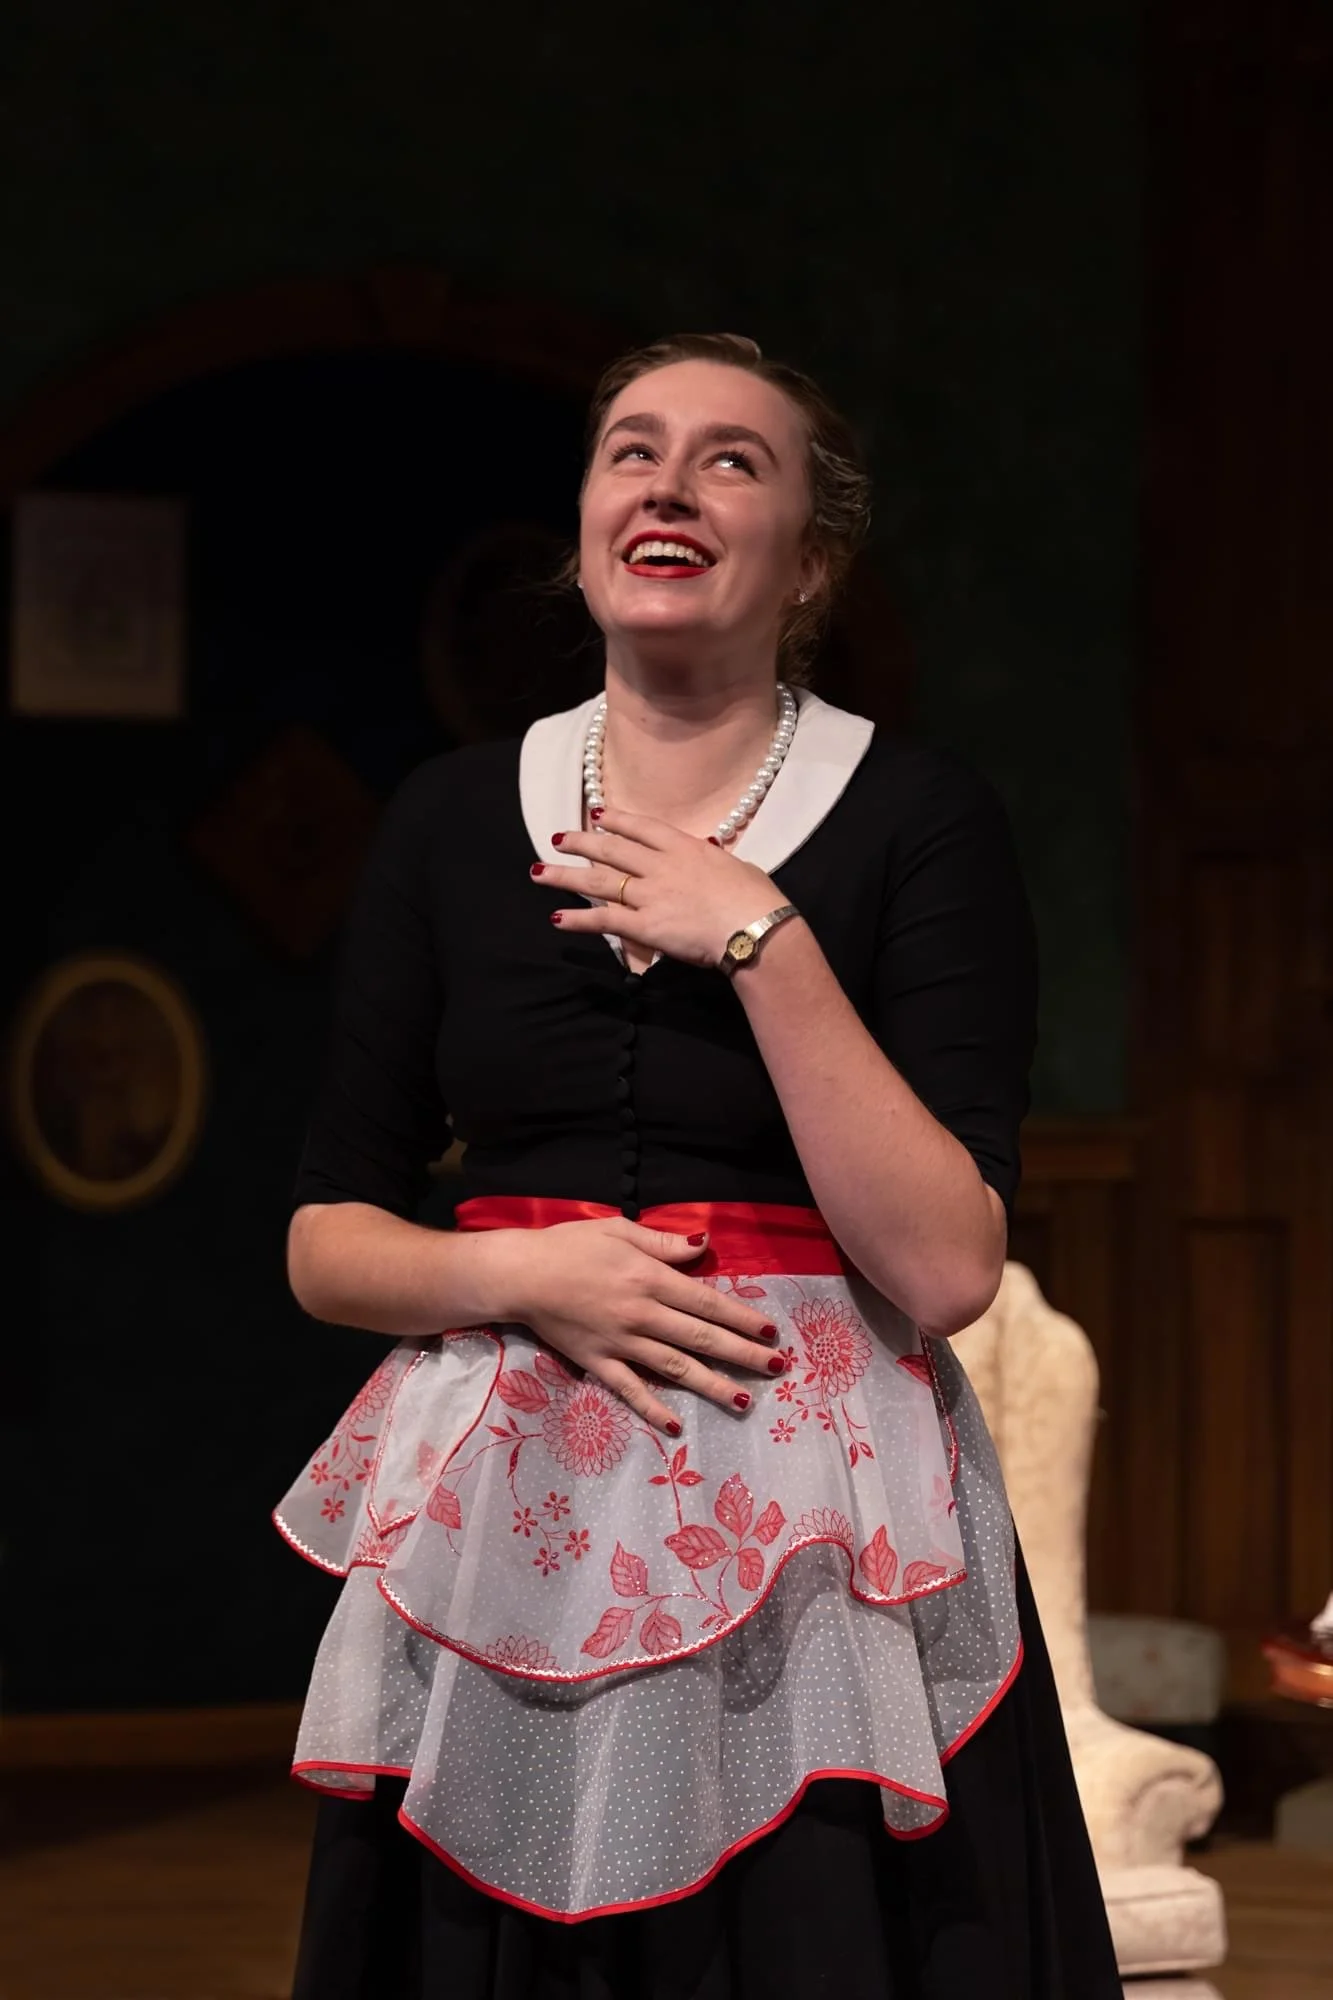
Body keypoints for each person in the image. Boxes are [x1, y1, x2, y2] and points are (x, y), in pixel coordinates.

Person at [275, 332, 1122, 1998]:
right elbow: (325, 1237)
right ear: (590, 520)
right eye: (630, 451)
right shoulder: (453, 818)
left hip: (820, 1539)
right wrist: (514, 1270)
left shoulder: (918, 816)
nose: (667, 481)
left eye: (733, 459)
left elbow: (949, 1268)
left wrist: (762, 940)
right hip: (506, 1509)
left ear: (810, 559)